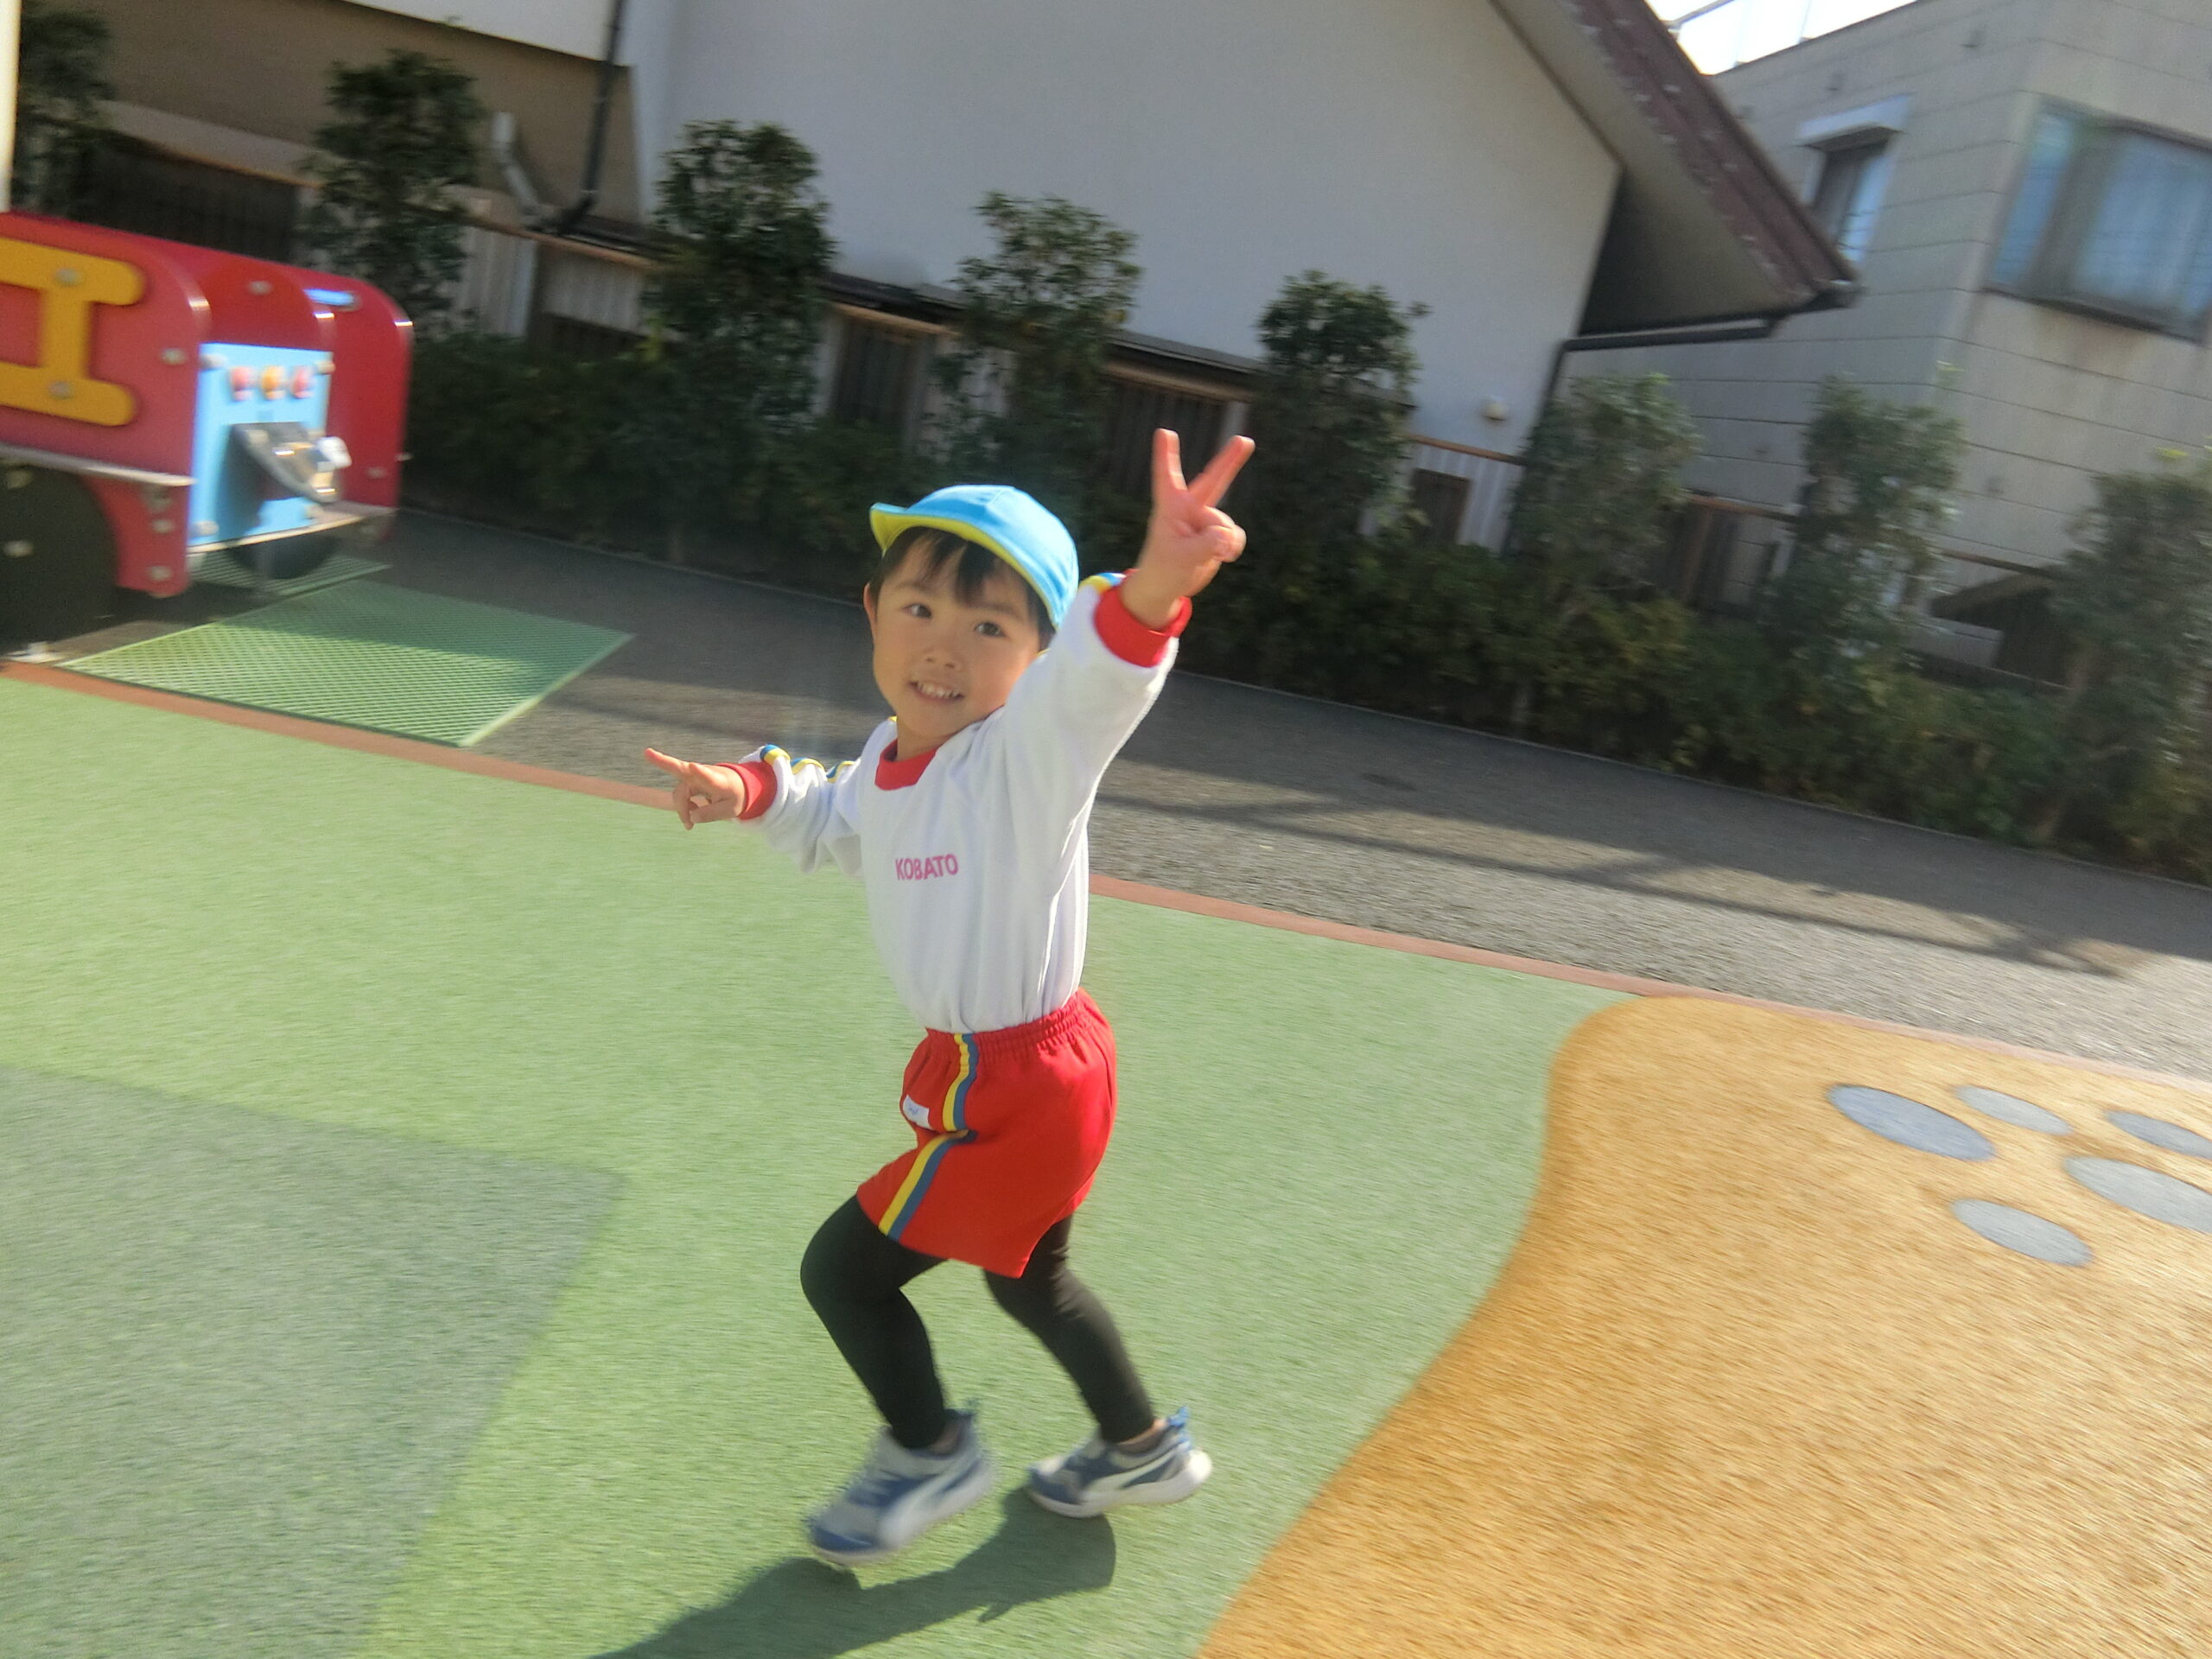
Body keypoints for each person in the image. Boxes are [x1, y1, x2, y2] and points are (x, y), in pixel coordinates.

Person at [645, 428, 1255, 1567]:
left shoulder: (1028, 759)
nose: (943, 646)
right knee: (1031, 1281)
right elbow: (833, 804)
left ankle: (929, 1452)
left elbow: (1097, 682)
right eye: (920, 608)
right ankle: (1140, 1448)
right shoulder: (891, 756)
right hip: (1016, 1073)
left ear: (1037, 658)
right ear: (873, 613)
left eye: (989, 628)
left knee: (844, 1273)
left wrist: (1157, 583)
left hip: (1026, 1085)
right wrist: (745, 787)